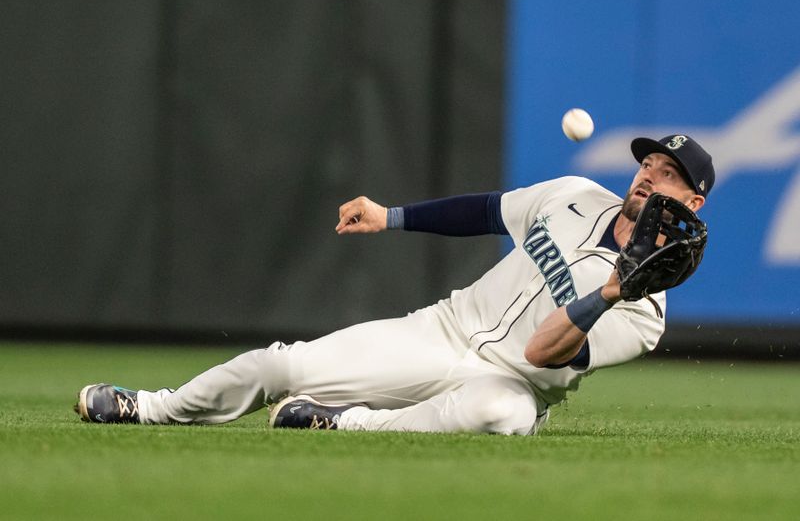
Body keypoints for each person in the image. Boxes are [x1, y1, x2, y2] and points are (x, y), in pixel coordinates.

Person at [75, 134, 714, 435]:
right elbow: (486, 211)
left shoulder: (643, 314)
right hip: (441, 330)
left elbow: (541, 354)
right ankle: (150, 406)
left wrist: (609, 292)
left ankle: (341, 424)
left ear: (693, 203)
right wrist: (392, 216)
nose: (649, 178)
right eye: (648, 165)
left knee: (500, 416)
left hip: (509, 381)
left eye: (668, 174)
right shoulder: (575, 195)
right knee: (284, 365)